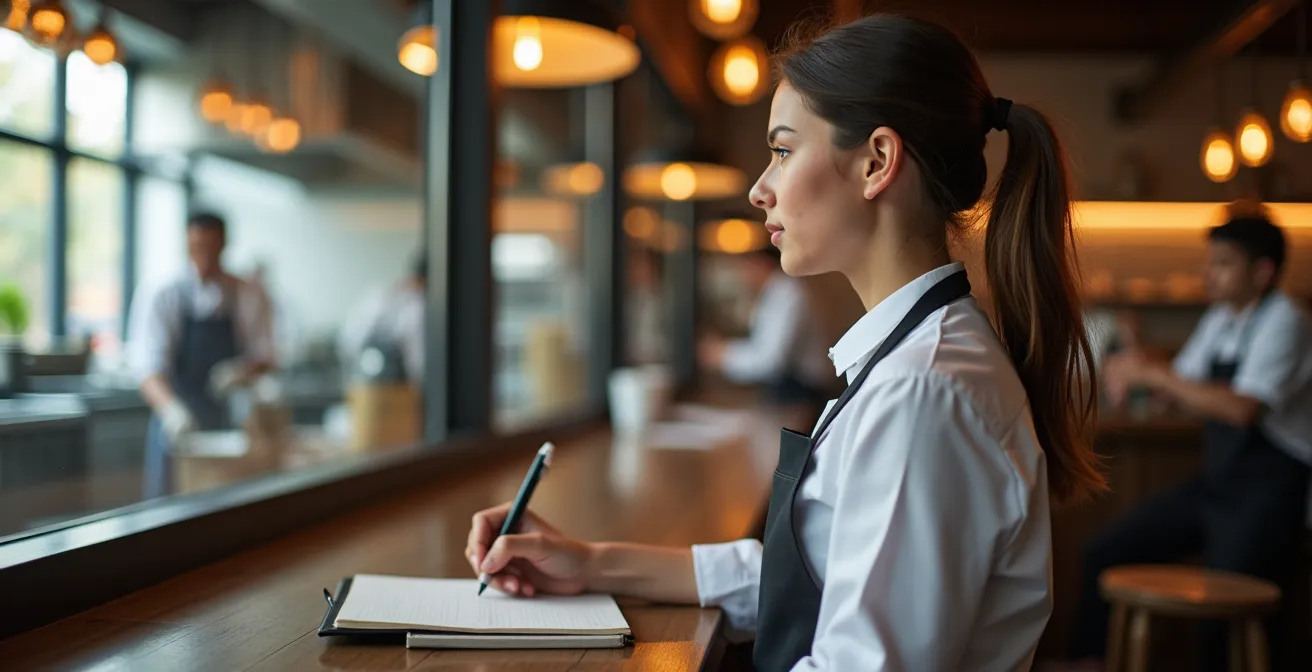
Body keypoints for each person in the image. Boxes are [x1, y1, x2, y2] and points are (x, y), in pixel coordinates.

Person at [464, 14, 1104, 671]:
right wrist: (590, 563)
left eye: (783, 149)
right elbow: (819, 574)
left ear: (877, 162)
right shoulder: (918, 362)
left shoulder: (923, 390)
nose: (757, 188)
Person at [1068, 214, 1312, 670]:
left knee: (1222, 613)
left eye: (1222, 263)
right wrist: (1140, 363)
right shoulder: (1223, 318)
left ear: (1262, 272)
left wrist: (1152, 374)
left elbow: (1242, 409)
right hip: (1218, 484)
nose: (1208, 273)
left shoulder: (1288, 320)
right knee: (1106, 552)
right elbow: (1182, 385)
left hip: (1270, 492)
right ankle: (1091, 662)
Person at [127, 213, 276, 498]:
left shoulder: (247, 293)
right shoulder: (162, 293)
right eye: (196, 248)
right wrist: (171, 411)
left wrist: (242, 372)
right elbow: (147, 369)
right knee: (166, 506)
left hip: (231, 423)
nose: (204, 258)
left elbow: (267, 356)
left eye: (211, 248)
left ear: (224, 245)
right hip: (177, 425)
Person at [698, 245, 833, 410]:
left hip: (802, 392)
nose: (742, 276)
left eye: (746, 267)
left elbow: (771, 361)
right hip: (791, 387)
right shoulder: (774, 292)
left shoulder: (787, 294)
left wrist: (722, 355)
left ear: (764, 264)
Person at [338, 253, 426, 383]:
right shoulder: (381, 298)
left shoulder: (415, 303)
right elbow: (350, 340)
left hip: (397, 383)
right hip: (373, 378)